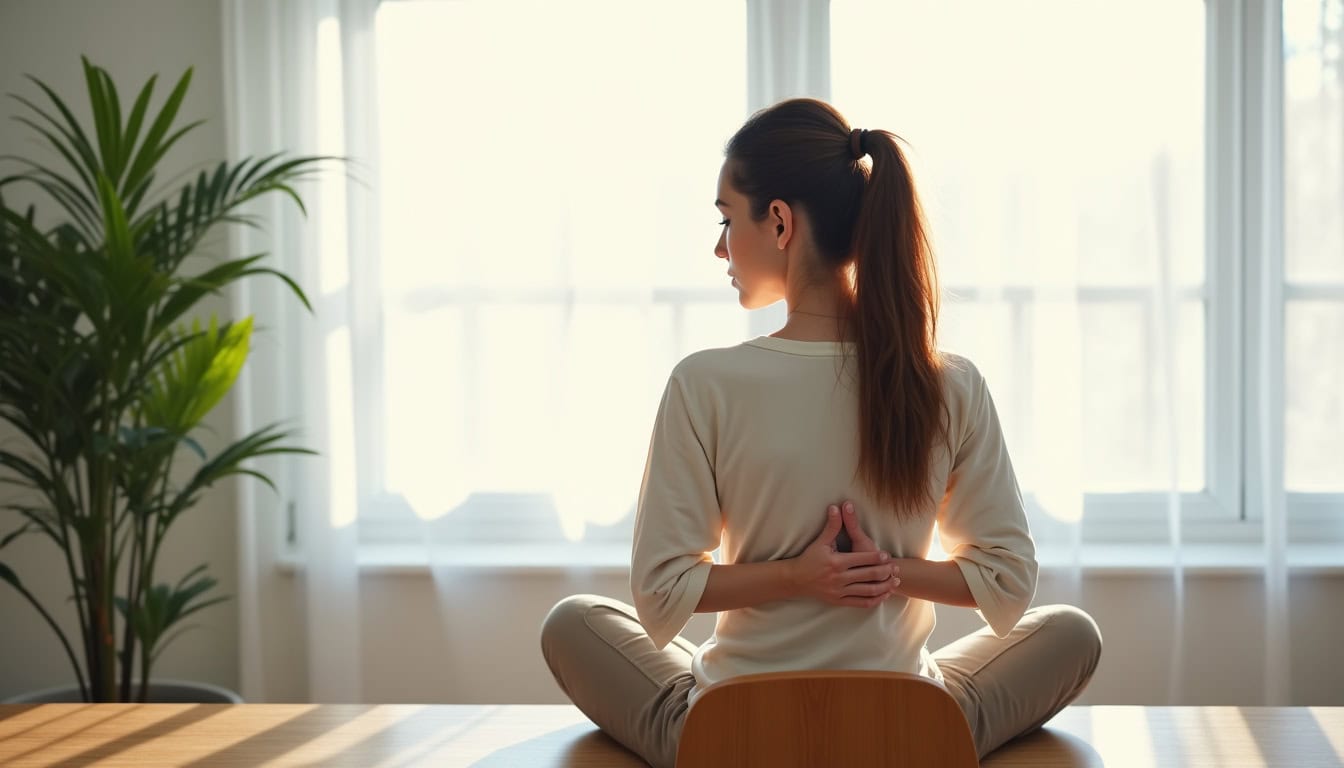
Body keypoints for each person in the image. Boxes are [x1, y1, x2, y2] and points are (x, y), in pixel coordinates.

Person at [540, 98, 1101, 768]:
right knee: (1070, 633)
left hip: (739, 728)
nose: (719, 247)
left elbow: (661, 591)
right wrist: (887, 573)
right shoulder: (950, 383)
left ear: (779, 221)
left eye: (726, 220)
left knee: (573, 623)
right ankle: (921, 738)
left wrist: (798, 578)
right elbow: (1007, 580)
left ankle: (719, 740)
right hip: (901, 721)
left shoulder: (704, 382)